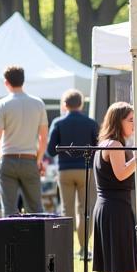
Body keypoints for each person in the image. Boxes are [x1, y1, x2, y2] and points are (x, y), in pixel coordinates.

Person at [91, 103, 137, 272]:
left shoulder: (104, 144)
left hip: (110, 209)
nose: (133, 123)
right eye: (130, 119)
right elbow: (121, 174)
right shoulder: (116, 145)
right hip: (115, 211)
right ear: (118, 121)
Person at [0, 66, 48, 217]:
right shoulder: (38, 103)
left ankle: (10, 241)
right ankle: (37, 240)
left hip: (7, 160)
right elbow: (43, 137)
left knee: (9, 210)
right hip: (29, 160)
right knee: (35, 208)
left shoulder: (2, 104)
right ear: (23, 81)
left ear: (6, 82)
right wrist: (38, 160)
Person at [47, 88, 99, 256]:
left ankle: (65, 249)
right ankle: (84, 248)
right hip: (86, 169)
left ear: (65, 104)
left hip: (65, 170)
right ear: (81, 104)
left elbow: (51, 150)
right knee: (85, 210)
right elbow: (97, 147)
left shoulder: (58, 123)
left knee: (66, 210)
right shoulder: (91, 123)